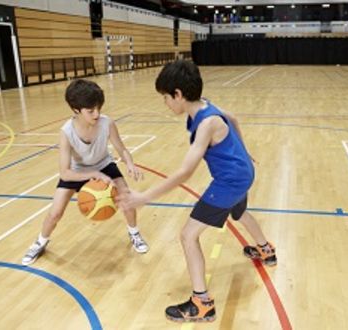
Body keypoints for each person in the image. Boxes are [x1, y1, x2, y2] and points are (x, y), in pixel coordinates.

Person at [117, 60, 276, 323]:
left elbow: (185, 172)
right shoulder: (204, 104)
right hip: (243, 173)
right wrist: (243, 152)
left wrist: (143, 197)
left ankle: (201, 303)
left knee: (188, 235)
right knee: (241, 211)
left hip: (229, 182)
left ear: (178, 94)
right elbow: (233, 118)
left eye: (166, 98)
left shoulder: (206, 124)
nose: (165, 103)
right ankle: (265, 249)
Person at [21, 79, 149, 266]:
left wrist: (130, 163)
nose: (97, 114)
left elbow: (121, 149)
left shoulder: (107, 123)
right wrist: (93, 175)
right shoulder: (66, 132)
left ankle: (134, 233)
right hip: (77, 172)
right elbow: (64, 173)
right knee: (55, 213)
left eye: (98, 108)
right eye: (91, 111)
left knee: (127, 199)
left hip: (104, 165)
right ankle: (40, 242)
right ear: (76, 109)